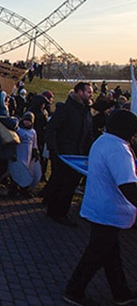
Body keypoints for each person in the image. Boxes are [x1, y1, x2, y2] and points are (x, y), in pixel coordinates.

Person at [63, 109, 137, 306]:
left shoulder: (103, 141)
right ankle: (74, 290)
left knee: (110, 253)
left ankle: (120, 291)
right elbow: (128, 185)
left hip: (99, 207)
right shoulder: (118, 149)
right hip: (110, 211)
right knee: (95, 255)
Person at [44, 82, 93, 226]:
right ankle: (58, 212)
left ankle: (58, 211)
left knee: (70, 185)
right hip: (64, 154)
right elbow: (51, 129)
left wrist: (90, 150)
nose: (91, 94)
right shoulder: (66, 109)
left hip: (78, 155)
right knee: (62, 183)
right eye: (88, 92)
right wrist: (54, 150)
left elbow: (88, 134)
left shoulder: (87, 112)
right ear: (79, 92)